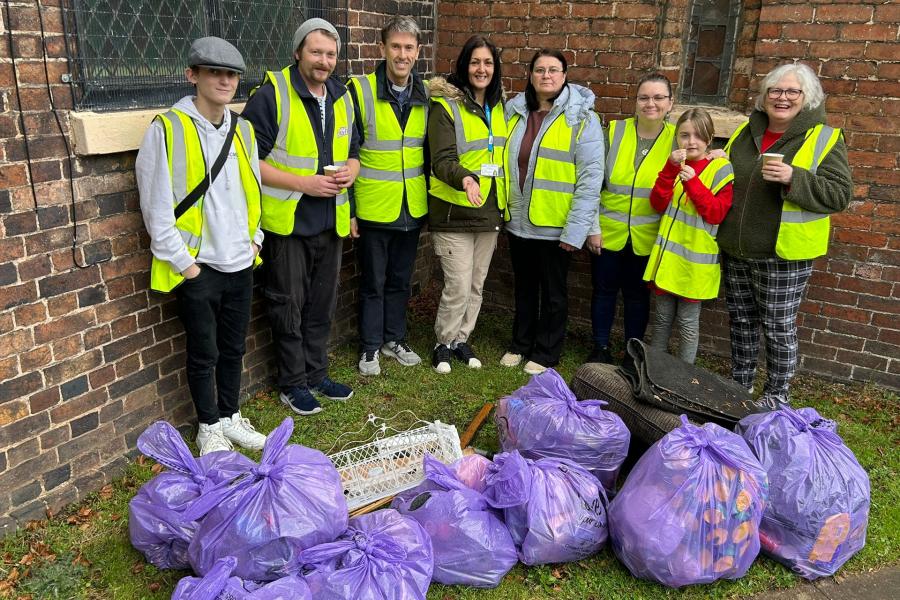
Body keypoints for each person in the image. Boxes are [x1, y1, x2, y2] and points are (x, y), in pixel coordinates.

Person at [136, 37, 268, 455]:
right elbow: (155, 206)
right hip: (199, 266)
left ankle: (230, 416)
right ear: (193, 75)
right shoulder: (168, 129)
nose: (225, 81)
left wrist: (254, 241)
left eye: (231, 74)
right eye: (215, 72)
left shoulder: (243, 130)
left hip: (240, 262)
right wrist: (185, 264)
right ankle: (208, 425)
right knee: (203, 351)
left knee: (233, 347)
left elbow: (255, 192)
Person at [241, 18, 361, 415]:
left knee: (321, 305)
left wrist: (351, 172)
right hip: (288, 223)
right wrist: (304, 184)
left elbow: (354, 151)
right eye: (316, 52)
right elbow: (248, 162)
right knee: (287, 306)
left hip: (330, 221)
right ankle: (292, 383)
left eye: (330, 54)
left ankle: (316, 373)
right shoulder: (272, 94)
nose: (324, 61)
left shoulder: (342, 96)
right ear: (297, 53)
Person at [720, 62, 852, 404]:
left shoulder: (824, 137)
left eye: (792, 92)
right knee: (742, 321)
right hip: (736, 247)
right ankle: (740, 384)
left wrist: (794, 178)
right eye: (775, 91)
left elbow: (839, 194)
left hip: (783, 255)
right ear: (764, 97)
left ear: (807, 98)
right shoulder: (744, 133)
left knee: (778, 329)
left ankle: (777, 393)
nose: (782, 98)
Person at [500, 49, 604, 375]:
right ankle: (520, 344)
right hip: (519, 222)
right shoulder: (513, 112)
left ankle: (546, 352)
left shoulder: (582, 118)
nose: (547, 76)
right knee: (525, 288)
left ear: (564, 75)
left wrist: (577, 230)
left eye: (554, 70)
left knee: (554, 294)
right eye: (540, 70)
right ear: (530, 75)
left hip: (557, 225)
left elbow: (590, 180)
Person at [348, 17, 428, 377]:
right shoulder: (359, 90)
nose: (402, 54)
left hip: (411, 207)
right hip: (374, 207)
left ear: (417, 52)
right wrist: (348, 209)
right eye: (395, 46)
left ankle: (394, 338)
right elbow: (346, 151)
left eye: (408, 47)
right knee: (373, 281)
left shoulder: (425, 94)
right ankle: (369, 347)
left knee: (400, 279)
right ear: (382, 49)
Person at [426, 35, 507, 374]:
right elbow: (441, 159)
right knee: (457, 285)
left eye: (488, 63)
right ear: (464, 65)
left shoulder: (501, 105)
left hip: (489, 211)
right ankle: (442, 343)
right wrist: (466, 178)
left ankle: (462, 339)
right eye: (475, 62)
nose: (481, 69)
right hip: (454, 210)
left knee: (476, 284)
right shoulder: (446, 107)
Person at [590, 73, 676, 364]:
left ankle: (632, 352)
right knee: (604, 291)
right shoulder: (613, 132)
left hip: (648, 236)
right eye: (644, 97)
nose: (650, 103)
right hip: (608, 231)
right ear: (635, 101)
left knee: (637, 297)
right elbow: (592, 183)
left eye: (658, 97)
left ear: (670, 103)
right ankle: (600, 348)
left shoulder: (678, 138)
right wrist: (592, 227)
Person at [644, 108, 734, 364]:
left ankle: (684, 377)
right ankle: (655, 369)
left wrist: (693, 183)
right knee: (660, 320)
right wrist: (669, 169)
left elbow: (716, 213)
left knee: (687, 324)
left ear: (710, 138)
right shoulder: (676, 165)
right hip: (668, 262)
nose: (690, 141)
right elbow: (657, 203)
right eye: (684, 135)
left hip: (694, 266)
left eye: (698, 135)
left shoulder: (720, 169)